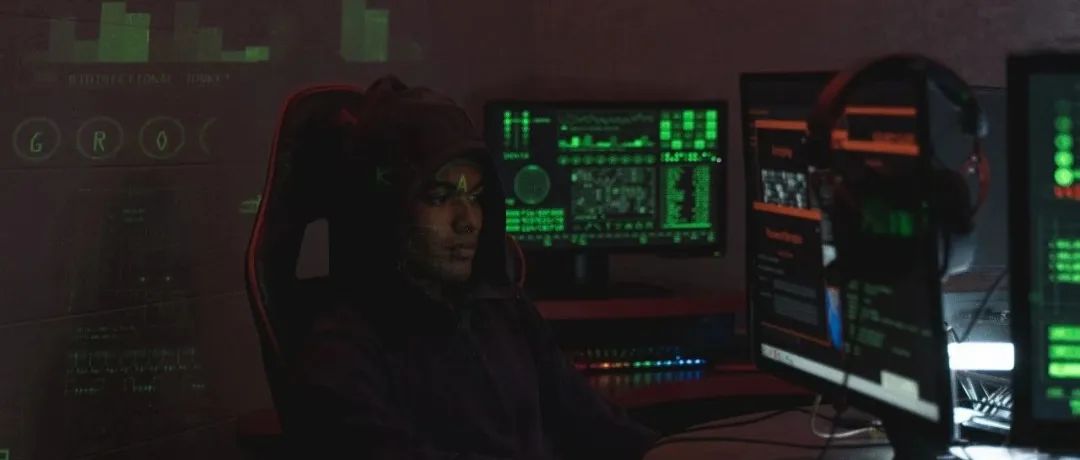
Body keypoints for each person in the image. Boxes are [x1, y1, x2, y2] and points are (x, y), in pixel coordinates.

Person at [285, 76, 660, 460]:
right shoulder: (342, 350)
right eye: (439, 197)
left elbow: (596, 423)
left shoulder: (501, 309)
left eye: (476, 197)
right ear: (386, 209)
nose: (469, 222)